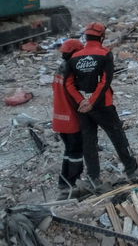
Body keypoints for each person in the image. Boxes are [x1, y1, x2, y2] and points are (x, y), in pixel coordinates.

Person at [66, 22, 138, 187]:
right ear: (102, 37)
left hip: (82, 108)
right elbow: (105, 81)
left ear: (86, 36)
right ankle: (131, 170)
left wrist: (81, 101)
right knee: (118, 136)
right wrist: (91, 102)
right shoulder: (105, 54)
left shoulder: (74, 57)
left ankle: (94, 178)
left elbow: (68, 84)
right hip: (103, 105)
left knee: (89, 142)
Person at [52, 38, 85, 198]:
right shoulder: (73, 70)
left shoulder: (60, 69)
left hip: (59, 119)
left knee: (69, 151)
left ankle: (63, 182)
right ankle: (70, 185)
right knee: (76, 153)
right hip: (71, 119)